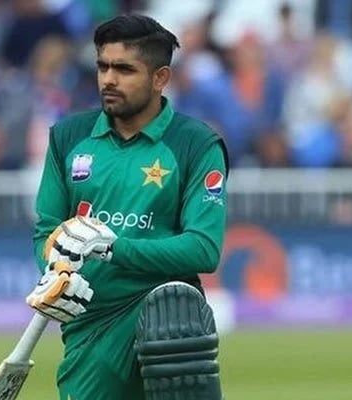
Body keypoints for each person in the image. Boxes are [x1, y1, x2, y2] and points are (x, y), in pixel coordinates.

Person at [25, 14, 228, 400]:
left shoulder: (195, 144)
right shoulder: (69, 137)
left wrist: (110, 246)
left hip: (168, 323)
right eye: (103, 66)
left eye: (124, 69)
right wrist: (54, 271)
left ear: (160, 78)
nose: (108, 79)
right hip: (91, 322)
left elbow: (204, 248)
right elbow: (47, 230)